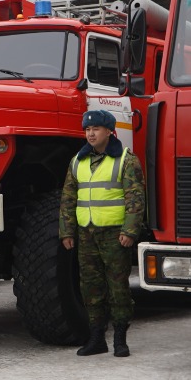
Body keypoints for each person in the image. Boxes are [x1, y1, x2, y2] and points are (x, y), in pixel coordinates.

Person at [59, 109, 146, 357]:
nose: (91, 134)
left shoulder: (126, 161)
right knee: (90, 287)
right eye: (87, 130)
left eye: (96, 129)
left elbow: (135, 199)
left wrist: (130, 230)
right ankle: (97, 338)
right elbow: (67, 198)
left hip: (114, 234)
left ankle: (120, 338)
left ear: (109, 131)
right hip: (86, 233)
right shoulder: (77, 161)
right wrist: (66, 231)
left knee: (118, 287)